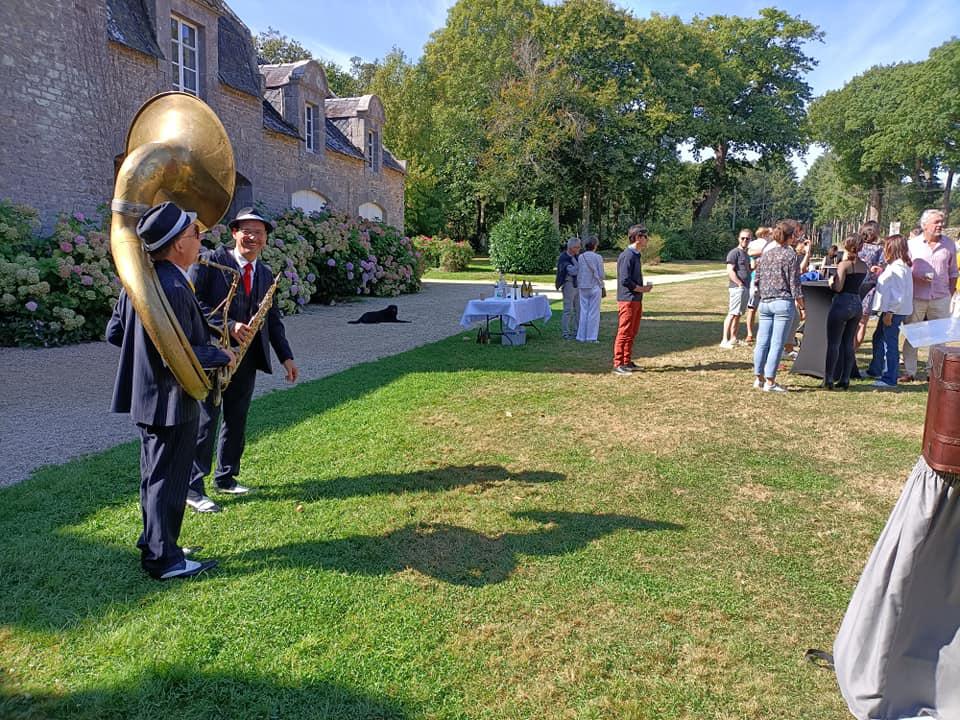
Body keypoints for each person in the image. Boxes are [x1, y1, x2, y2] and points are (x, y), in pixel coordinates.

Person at [106, 201, 235, 580]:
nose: (200, 239)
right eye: (195, 234)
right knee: (169, 478)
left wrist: (146, 358)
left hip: (149, 398)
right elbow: (177, 352)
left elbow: (115, 333)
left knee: (154, 475)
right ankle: (165, 561)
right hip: (172, 399)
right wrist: (221, 354)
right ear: (178, 243)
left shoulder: (141, 280)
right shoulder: (174, 286)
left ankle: (156, 542)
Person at [187, 207, 298, 512]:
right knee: (206, 421)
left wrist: (286, 357)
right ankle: (193, 488)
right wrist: (229, 325)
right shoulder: (210, 261)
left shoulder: (264, 273)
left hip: (246, 358)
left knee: (236, 419)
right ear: (234, 233)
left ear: (265, 239)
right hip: (213, 354)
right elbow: (192, 304)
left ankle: (226, 477)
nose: (252, 237)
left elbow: (272, 320)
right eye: (246, 231)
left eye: (258, 233)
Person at [902, 209, 958, 382]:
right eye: (936, 222)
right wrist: (917, 276)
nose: (940, 225)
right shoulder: (912, 244)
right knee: (913, 334)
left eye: (941, 222)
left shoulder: (949, 244)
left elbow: (953, 272)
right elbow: (905, 268)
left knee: (939, 336)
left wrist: (949, 293)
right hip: (917, 295)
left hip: (941, 297)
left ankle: (933, 373)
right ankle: (910, 371)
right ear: (924, 225)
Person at [752, 220, 804, 392]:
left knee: (762, 342)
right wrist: (802, 306)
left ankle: (759, 378)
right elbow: (795, 284)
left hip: (765, 302)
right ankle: (770, 382)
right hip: (782, 302)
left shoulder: (766, 254)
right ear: (791, 237)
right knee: (777, 343)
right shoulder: (790, 255)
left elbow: (757, 279)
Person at [823, 235, 868, 390]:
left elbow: (839, 287)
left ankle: (829, 378)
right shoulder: (864, 265)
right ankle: (845, 378)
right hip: (857, 304)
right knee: (848, 343)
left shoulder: (844, 265)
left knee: (834, 343)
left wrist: (831, 282)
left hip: (842, 303)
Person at [868, 234, 913, 389]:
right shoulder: (898, 266)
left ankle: (890, 377)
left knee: (889, 343)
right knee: (878, 337)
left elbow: (898, 295)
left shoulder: (898, 268)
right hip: (892, 310)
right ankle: (876, 369)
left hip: (893, 311)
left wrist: (890, 313)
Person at [612, 225, 653, 375]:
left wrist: (642, 290)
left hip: (636, 299)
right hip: (627, 299)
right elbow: (624, 280)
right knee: (624, 331)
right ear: (637, 238)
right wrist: (641, 289)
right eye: (645, 236)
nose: (647, 239)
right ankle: (618, 364)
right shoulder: (627, 255)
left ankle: (627, 361)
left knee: (632, 332)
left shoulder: (636, 255)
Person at [720, 228, 752, 348]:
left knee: (738, 314)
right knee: (732, 313)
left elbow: (747, 270)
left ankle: (733, 338)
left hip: (745, 287)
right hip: (737, 288)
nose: (745, 240)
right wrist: (739, 284)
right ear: (738, 239)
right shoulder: (734, 253)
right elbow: (730, 270)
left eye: (747, 238)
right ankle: (724, 340)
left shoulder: (746, 254)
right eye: (743, 238)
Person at [744, 226, 773, 344]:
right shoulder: (762, 244)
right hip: (758, 280)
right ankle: (752, 334)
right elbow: (749, 253)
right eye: (770, 234)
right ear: (765, 234)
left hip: (763, 280)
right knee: (755, 308)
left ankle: (753, 334)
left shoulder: (767, 245)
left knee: (758, 309)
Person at [575, 236, 604, 343]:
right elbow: (601, 274)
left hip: (583, 286)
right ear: (595, 245)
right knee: (594, 312)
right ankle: (591, 337)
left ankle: (581, 336)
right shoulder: (598, 257)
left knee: (584, 311)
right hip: (594, 286)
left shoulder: (581, 257)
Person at [555, 237, 581, 340]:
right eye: (577, 247)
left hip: (577, 284)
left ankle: (576, 331)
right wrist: (580, 267)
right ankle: (566, 333)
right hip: (568, 284)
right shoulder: (564, 258)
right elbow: (573, 271)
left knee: (578, 309)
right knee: (568, 309)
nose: (579, 249)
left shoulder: (577, 256)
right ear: (571, 247)